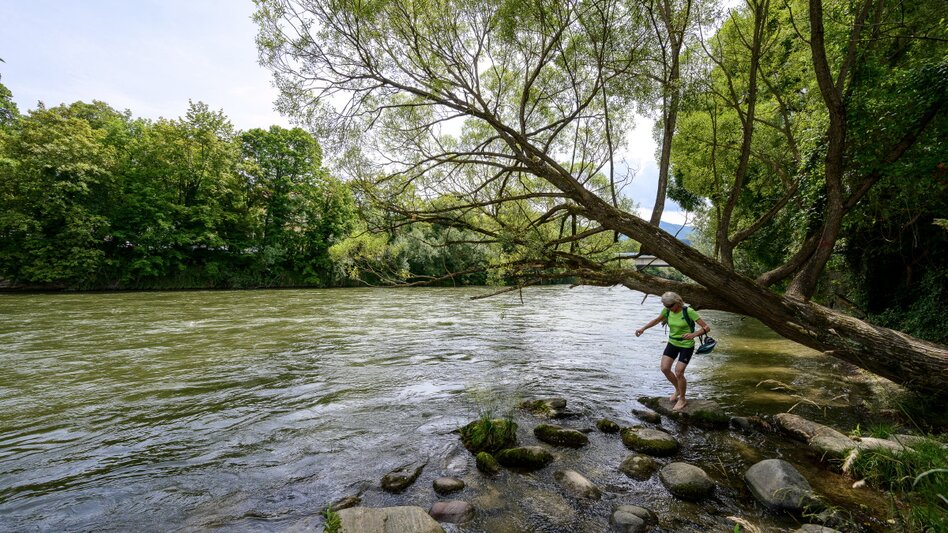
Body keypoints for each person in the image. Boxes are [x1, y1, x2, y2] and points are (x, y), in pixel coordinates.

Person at [634, 291, 711, 411]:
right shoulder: (667, 311)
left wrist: (693, 334)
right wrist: (643, 328)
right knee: (665, 368)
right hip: (672, 343)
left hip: (686, 345)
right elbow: (656, 320)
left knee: (679, 372)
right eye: (666, 306)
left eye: (670, 306)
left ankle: (683, 399)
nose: (668, 309)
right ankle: (678, 390)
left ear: (677, 302)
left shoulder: (688, 312)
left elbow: (706, 327)